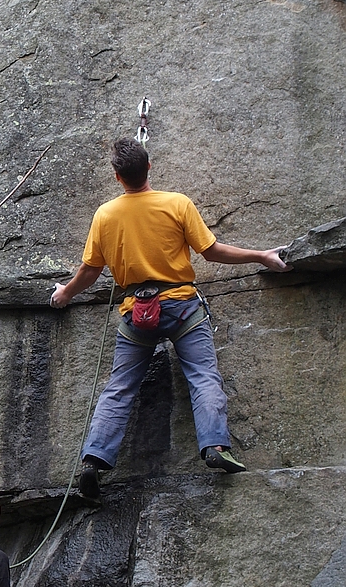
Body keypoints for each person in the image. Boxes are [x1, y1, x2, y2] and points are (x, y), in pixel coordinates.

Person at [51, 138, 289, 500]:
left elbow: (89, 270)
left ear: (117, 178)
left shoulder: (105, 215)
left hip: (136, 313)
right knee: (203, 376)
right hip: (181, 306)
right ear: (149, 167)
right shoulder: (176, 204)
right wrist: (261, 256)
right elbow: (212, 251)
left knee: (119, 388)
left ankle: (94, 461)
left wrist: (64, 294)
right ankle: (215, 448)